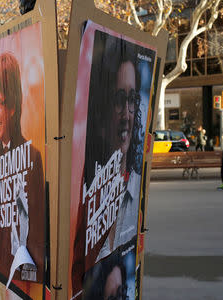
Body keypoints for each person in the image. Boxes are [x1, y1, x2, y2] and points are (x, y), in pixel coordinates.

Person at [72, 30, 149, 298]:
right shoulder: (83, 190)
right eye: (118, 100)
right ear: (103, 109)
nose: (126, 114)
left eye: (131, 99)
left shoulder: (136, 184)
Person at [0, 52, 45, 297]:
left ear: (13, 107)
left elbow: (37, 225)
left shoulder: (32, 156)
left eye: (1, 103)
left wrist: (35, 272)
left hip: (19, 274)